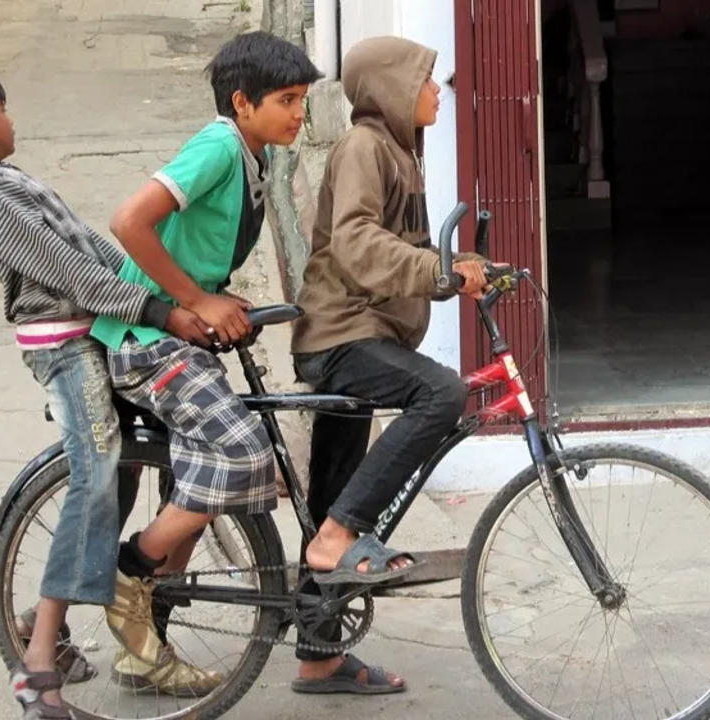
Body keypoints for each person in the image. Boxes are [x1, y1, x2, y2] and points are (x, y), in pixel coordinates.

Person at [0, 67, 205, 718]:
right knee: (97, 473)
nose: (14, 122)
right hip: (65, 342)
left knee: (121, 472)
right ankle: (38, 664)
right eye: (5, 110)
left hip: (94, 328)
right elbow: (61, 266)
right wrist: (156, 310)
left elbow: (93, 252)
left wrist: (171, 294)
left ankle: (49, 628)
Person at [88, 31, 324, 697]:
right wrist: (194, 298)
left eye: (303, 100)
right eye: (285, 99)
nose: (298, 113)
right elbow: (130, 220)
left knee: (208, 477)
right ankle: (130, 572)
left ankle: (144, 644)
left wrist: (216, 298)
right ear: (242, 102)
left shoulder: (255, 154)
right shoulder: (220, 144)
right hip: (146, 341)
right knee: (247, 455)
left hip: (180, 342)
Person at [287, 35, 490, 695]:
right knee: (443, 393)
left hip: (367, 333)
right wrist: (437, 272)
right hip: (343, 336)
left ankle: (319, 656)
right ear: (394, 89)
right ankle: (342, 535)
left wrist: (468, 270)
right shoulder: (363, 148)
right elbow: (355, 240)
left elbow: (403, 248)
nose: (438, 91)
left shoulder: (399, 151)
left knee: (330, 494)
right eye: (428, 80)